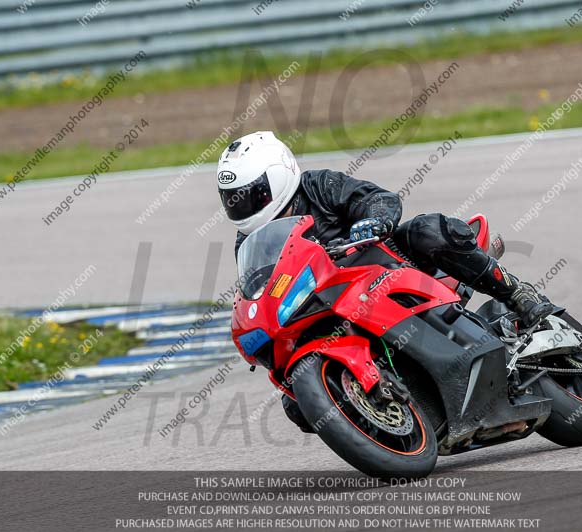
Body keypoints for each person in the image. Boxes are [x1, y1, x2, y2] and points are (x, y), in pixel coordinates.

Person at [217, 131, 554, 432]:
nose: (242, 205)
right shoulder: (248, 242)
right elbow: (264, 288)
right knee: (296, 406)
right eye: (233, 197)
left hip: (389, 267)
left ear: (278, 176)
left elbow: (379, 199)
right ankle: (394, 415)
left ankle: (515, 292)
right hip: (335, 307)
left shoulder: (318, 186)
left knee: (428, 231)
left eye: (251, 194)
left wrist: (374, 221)